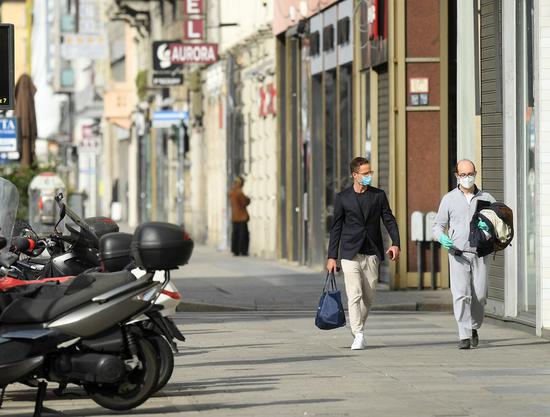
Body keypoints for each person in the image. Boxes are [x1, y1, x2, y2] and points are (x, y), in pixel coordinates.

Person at [326, 157, 401, 350]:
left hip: (372, 252)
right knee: (355, 294)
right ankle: (358, 333)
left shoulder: (378, 196)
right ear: (355, 175)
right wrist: (331, 256)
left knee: (368, 296)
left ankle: (358, 328)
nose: (369, 176)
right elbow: (336, 228)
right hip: (350, 252)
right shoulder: (343, 198)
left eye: (370, 173)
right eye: (365, 173)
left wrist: (396, 244)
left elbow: (389, 220)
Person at [433, 159, 496, 349]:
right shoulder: (449, 199)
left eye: (470, 174)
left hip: (480, 253)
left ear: (475, 174)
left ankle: (474, 326)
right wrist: (441, 238)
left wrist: (489, 228)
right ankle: (464, 334)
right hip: (458, 253)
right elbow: (438, 225)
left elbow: (498, 224)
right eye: (463, 175)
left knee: (479, 295)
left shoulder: (487, 198)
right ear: (456, 176)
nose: (467, 178)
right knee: (460, 294)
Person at [229, 176, 251, 256]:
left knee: (235, 234)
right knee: (243, 235)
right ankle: (243, 250)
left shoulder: (231, 192)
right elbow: (244, 202)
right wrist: (248, 199)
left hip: (235, 216)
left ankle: (235, 250)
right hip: (241, 217)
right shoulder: (239, 192)